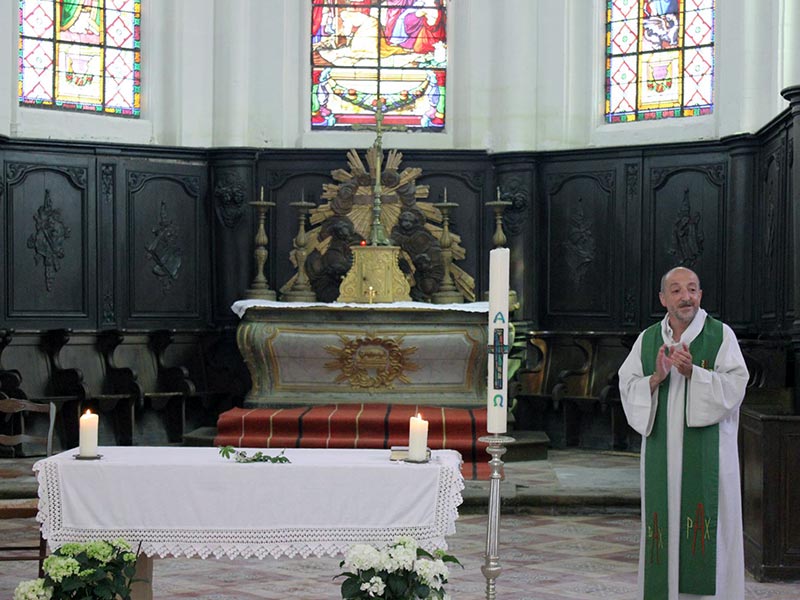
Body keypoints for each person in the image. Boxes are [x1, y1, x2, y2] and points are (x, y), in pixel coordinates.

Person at [618, 266, 749, 600]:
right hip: (661, 456)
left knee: (710, 531)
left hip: (710, 458)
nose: (685, 297)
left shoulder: (721, 335)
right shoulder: (648, 340)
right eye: (676, 290)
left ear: (700, 295)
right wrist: (655, 379)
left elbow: (736, 386)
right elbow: (627, 386)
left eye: (692, 289)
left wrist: (695, 374)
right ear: (663, 299)